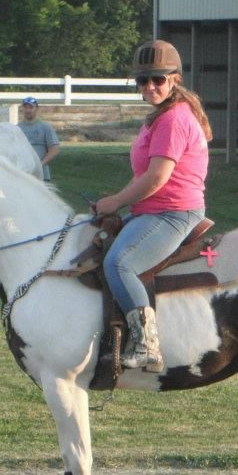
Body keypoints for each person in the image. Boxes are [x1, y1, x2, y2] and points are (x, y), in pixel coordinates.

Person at [94, 40, 213, 372]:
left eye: (158, 79)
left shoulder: (174, 119)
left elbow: (158, 176)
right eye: (142, 81)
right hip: (153, 210)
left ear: (174, 79)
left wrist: (116, 201)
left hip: (173, 212)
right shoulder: (160, 117)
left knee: (120, 264)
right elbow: (144, 175)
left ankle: (147, 344)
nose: (149, 86)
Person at [17, 96, 60, 182]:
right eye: (25, 107)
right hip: (22, 175)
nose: (28, 110)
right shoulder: (17, 128)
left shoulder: (45, 127)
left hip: (41, 175)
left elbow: (54, 149)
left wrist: (40, 165)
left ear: (37, 109)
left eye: (31, 107)